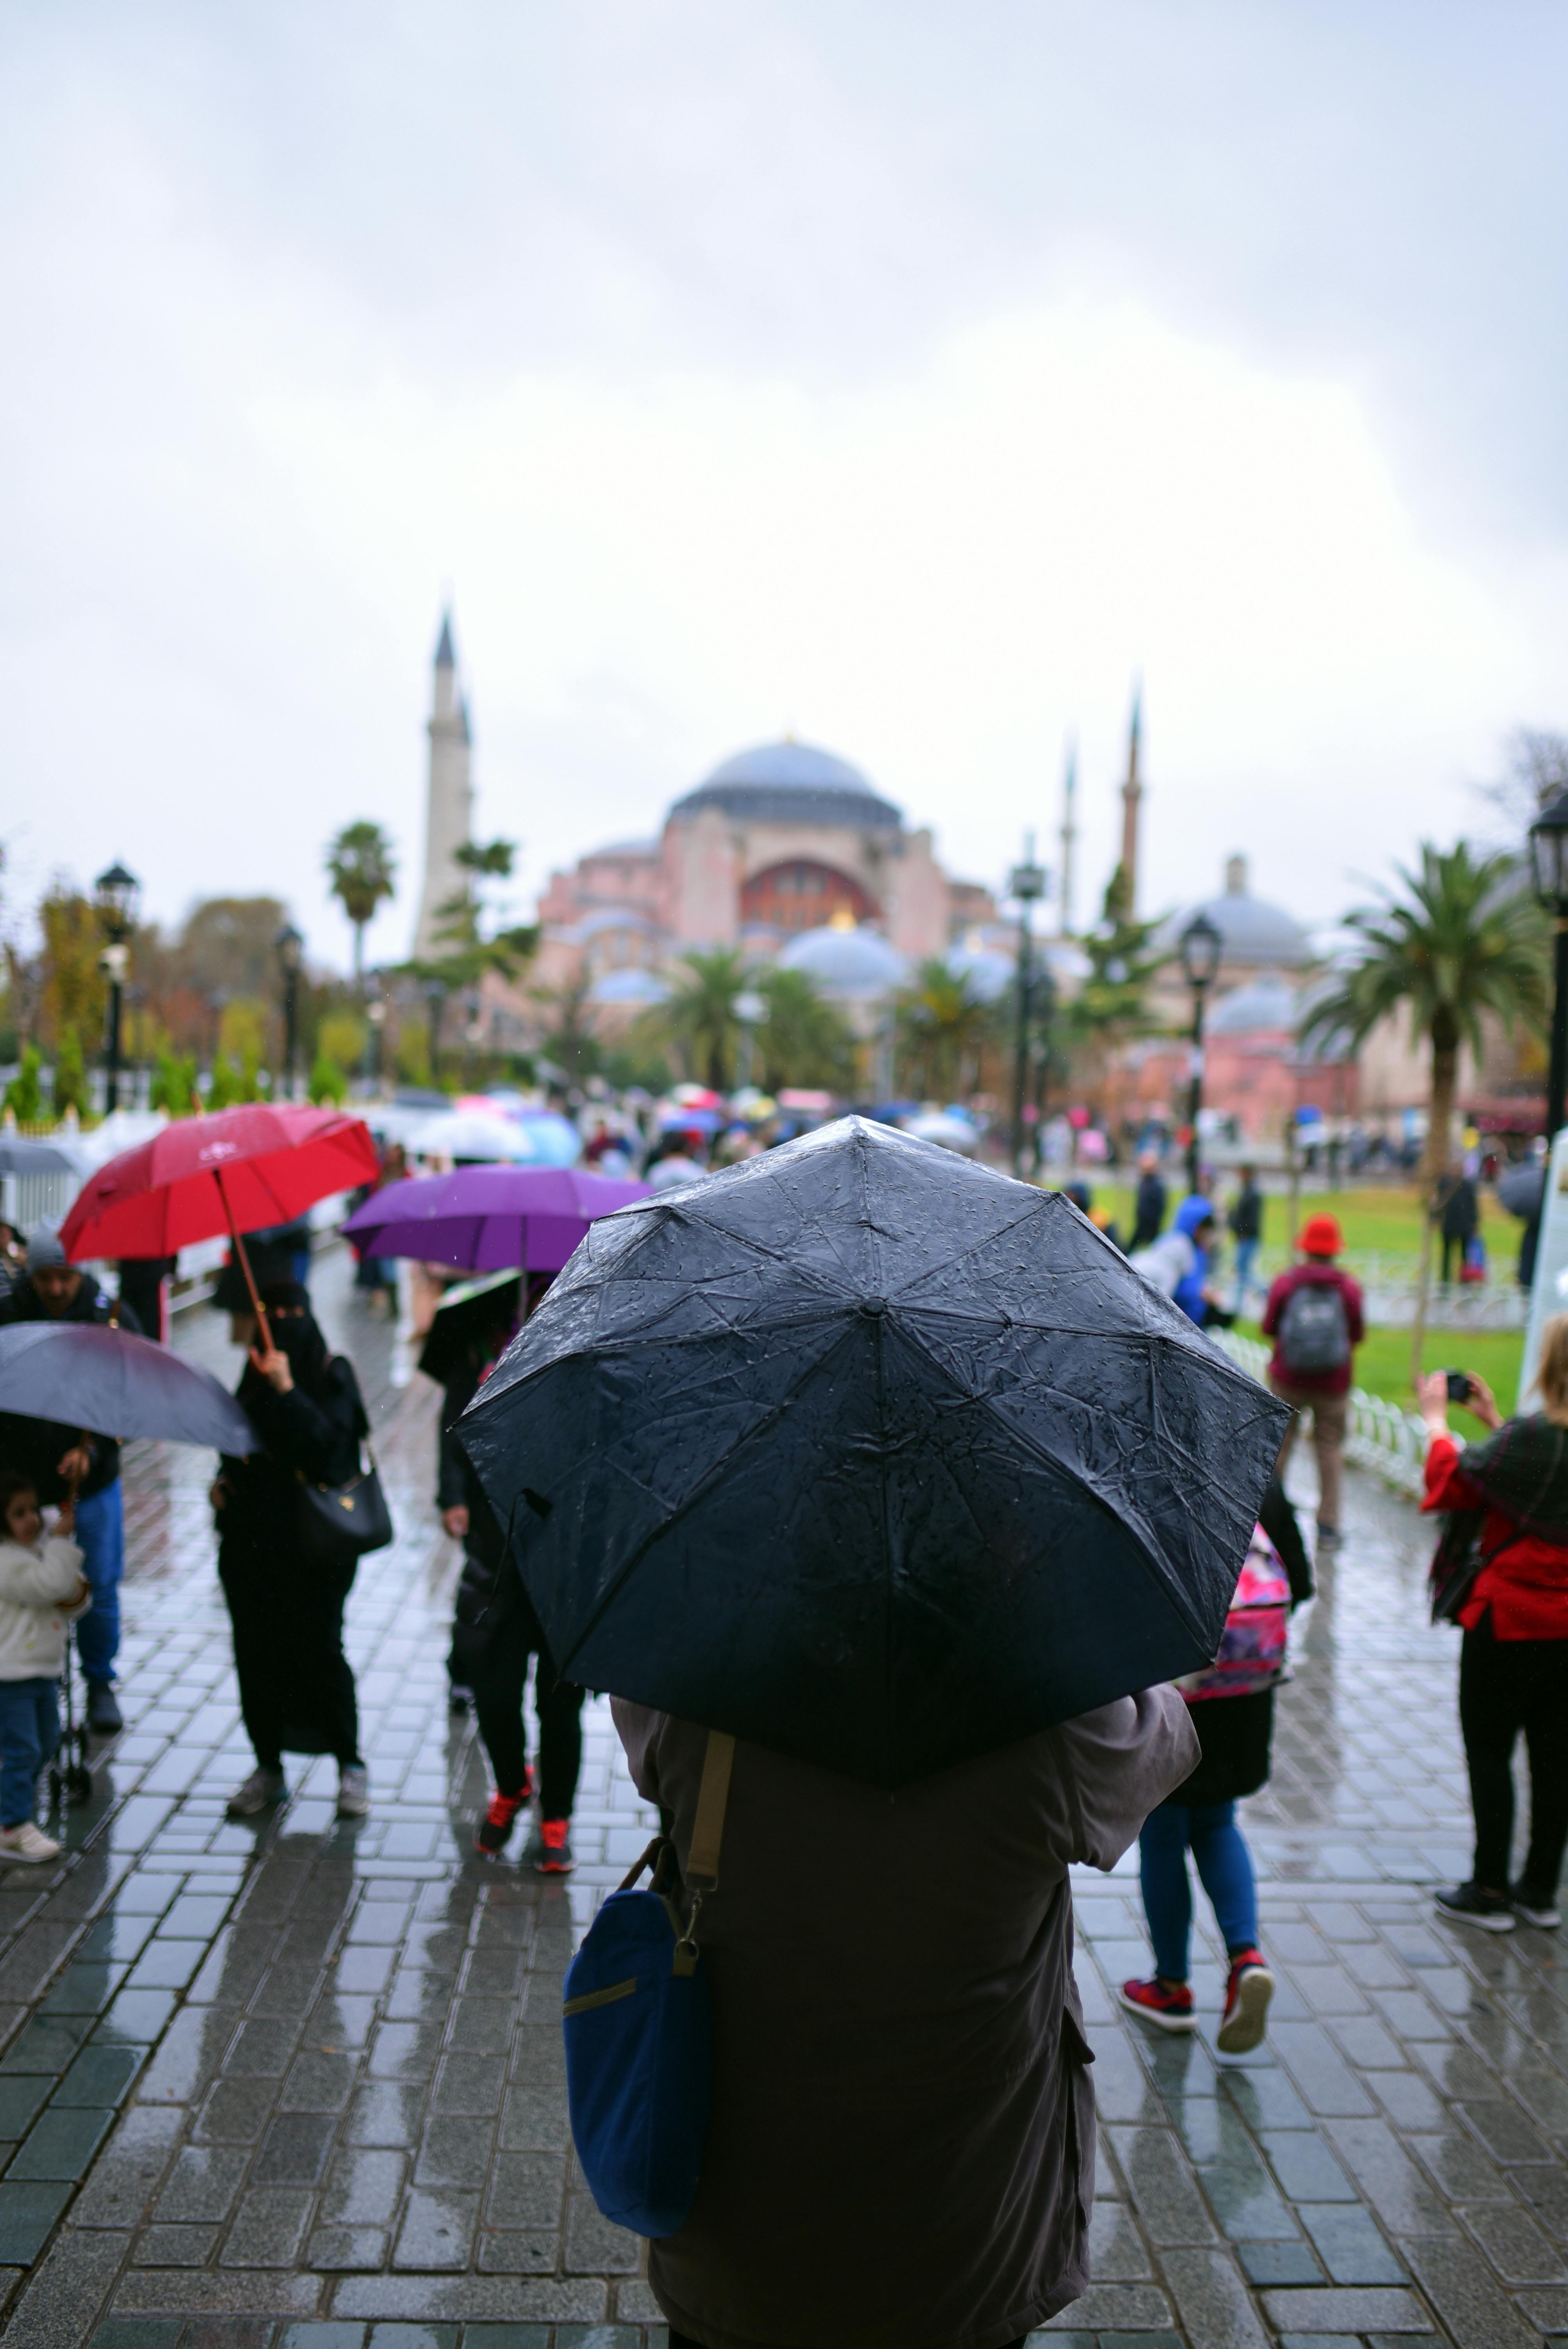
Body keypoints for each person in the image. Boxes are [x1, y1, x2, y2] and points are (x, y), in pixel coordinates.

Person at [615, 1682, 1198, 2349]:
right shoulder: (1054, 1710)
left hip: (740, 2210)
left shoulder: (696, 1683)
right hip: (970, 2219)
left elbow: (640, 1732)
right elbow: (1160, 1743)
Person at [1121, 1479, 1312, 2048]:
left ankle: (1172, 1987)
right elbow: (1298, 1581)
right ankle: (1245, 1956)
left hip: (1171, 1687)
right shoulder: (1253, 1477)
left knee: (1163, 1836)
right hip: (1244, 1692)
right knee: (1218, 1821)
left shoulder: (1139, 1479)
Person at [1418, 1328, 1568, 1931]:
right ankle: (1539, 1892)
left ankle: (1489, 1890)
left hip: (1505, 1622)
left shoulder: (1532, 1438)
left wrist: (1436, 1422)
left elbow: (1454, 1481)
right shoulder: (1527, 1438)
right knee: (1557, 1761)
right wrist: (1495, 1421)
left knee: (1491, 1751)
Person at [210, 1281, 372, 1820]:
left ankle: (350, 1765)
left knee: (320, 1651)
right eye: (271, 1313)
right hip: (252, 1547)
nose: (283, 1321)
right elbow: (235, 1448)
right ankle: (268, 1768)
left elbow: (331, 1453)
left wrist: (288, 1391)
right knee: (256, 1656)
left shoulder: (330, 1374)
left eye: (292, 1312)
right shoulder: (251, 1379)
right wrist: (221, 1487)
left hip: (316, 1552)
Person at [0, 1223, 141, 1731]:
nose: (56, 1290)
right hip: (21, 1482)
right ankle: (29, 1683)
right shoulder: (7, 1313)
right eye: (45, 1280)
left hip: (92, 1483)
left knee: (98, 1583)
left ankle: (100, 1680)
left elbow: (133, 1399)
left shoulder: (112, 1318)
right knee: (22, 1586)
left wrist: (97, 1451)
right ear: (31, 1275)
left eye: (65, 1278)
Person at [451, 1471, 586, 1871]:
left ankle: (556, 1815)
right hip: (498, 1567)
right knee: (493, 1696)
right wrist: (452, 1496)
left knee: (561, 1708)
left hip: (570, 1577)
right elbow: (455, 1432)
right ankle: (513, 1786)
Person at [0, 1470, 91, 1863]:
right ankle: (12, 1826)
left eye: (33, 1509)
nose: (31, 1520)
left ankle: (13, 1807)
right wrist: (60, 1543)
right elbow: (47, 1585)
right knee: (23, 1749)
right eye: (18, 1513)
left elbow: (73, 1597)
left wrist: (70, 1582)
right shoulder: (6, 1560)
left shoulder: (39, 1549)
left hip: (41, 1669)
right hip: (11, 1674)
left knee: (47, 1740)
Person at [1261, 1213, 1365, 1551]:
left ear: (1305, 1248)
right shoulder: (1348, 1287)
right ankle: (1328, 1526)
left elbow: (1269, 1327)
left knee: (1282, 1445)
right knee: (1330, 1448)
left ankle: (1266, 1517)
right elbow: (1357, 1334)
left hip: (1288, 1378)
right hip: (1333, 1384)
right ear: (1335, 1250)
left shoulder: (1287, 1283)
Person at [1133, 1196, 1232, 1329]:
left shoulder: (1198, 1251)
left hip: (1191, 1325)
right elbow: (1179, 1291)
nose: (1206, 1234)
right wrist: (1202, 1294)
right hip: (1176, 1326)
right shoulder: (1179, 1245)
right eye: (1202, 1228)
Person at [1228, 1165, 1263, 1313]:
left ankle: (1265, 1292)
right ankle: (1238, 1305)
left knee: (1244, 1274)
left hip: (1247, 1239)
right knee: (1243, 1272)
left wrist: (1244, 1232)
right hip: (1244, 1238)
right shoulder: (1247, 1191)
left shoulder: (1253, 1194)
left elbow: (1251, 1219)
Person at [1437, 1166, 1479, 1287]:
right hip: (1449, 1224)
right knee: (1446, 1254)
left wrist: (1474, 1223)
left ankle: (1464, 1281)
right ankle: (1445, 1280)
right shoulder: (1444, 1183)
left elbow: (1473, 1206)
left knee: (1464, 1255)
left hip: (1463, 1225)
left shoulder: (1467, 1185)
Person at [1131, 1150, 1167, 1250]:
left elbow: (1160, 1206)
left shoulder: (1156, 1185)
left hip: (1151, 1225)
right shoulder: (1145, 1183)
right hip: (1142, 1223)